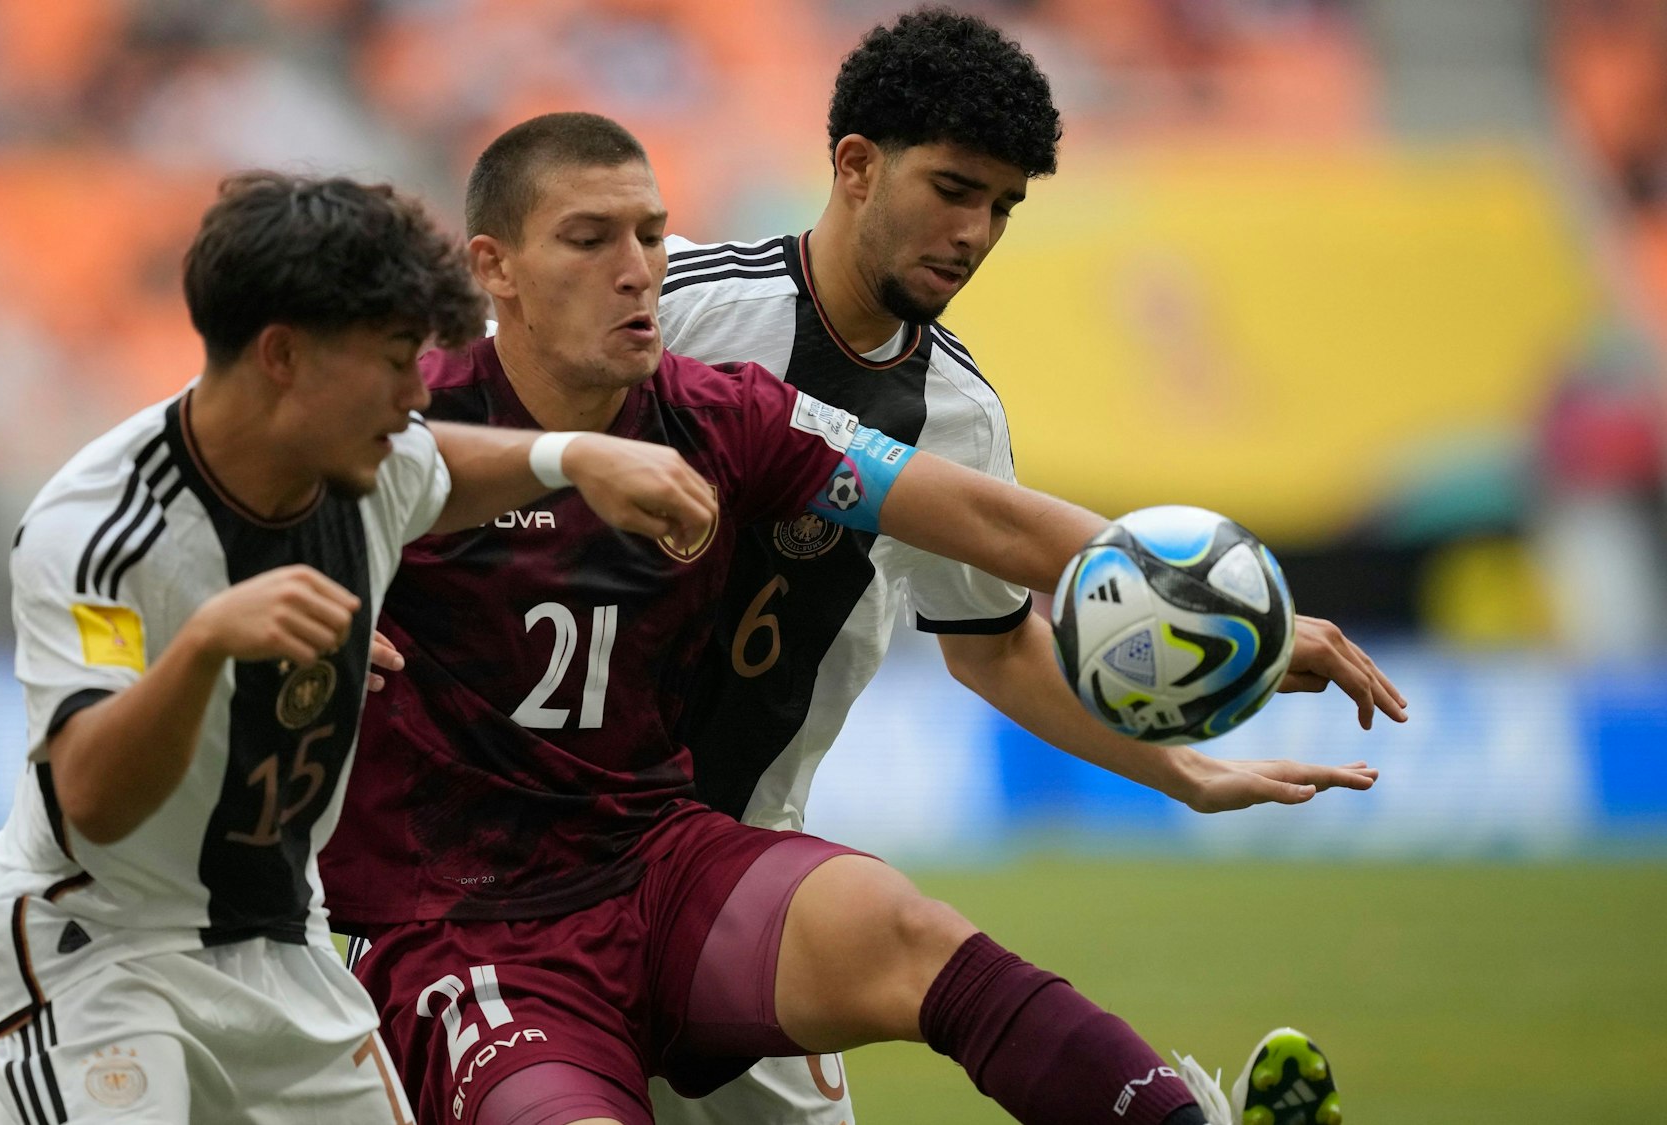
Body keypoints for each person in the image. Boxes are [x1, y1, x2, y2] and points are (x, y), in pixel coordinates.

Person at [320, 113, 1375, 1125]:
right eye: (590, 240)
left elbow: (978, 519)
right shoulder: (393, 419)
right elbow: (218, 511)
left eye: (647, 233)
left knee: (910, 932)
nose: (637, 267)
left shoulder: (724, 409)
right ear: (494, 268)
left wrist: (1205, 597)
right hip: (461, 927)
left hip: (670, 859)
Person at [651, 11, 1394, 1125]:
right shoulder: (682, 316)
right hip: (527, 848)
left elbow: (995, 651)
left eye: (1001, 206)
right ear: (854, 165)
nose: (974, 232)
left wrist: (1184, 774)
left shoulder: (956, 415)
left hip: (745, 875)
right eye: (952, 188)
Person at [0, 170, 719, 1125]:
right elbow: (90, 801)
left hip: (285, 939)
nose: (417, 393)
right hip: (103, 945)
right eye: (396, 359)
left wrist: (570, 457)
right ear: (283, 354)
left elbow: (439, 464)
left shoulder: (367, 468)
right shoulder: (99, 526)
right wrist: (205, 650)